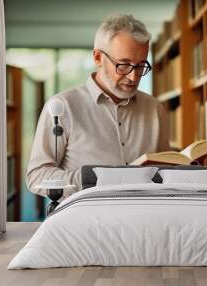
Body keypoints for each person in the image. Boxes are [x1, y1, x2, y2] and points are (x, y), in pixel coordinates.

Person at [26, 14, 170, 199]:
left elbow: (166, 170)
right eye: (124, 65)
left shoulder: (155, 109)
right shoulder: (62, 107)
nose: (134, 77)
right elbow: (37, 177)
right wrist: (97, 178)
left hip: (144, 219)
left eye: (141, 66)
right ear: (97, 57)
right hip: (84, 221)